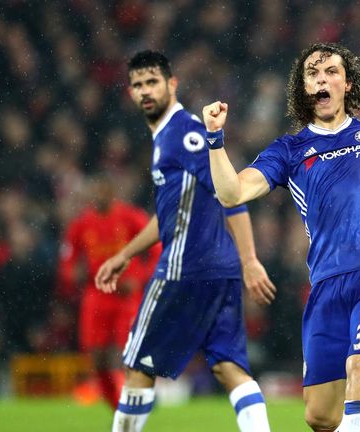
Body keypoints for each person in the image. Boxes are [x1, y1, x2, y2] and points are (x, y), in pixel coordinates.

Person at [202, 43, 360, 432]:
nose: (322, 79)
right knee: (320, 415)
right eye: (313, 73)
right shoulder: (290, 150)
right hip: (327, 282)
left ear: (347, 84)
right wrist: (215, 139)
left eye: (331, 71)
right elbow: (232, 193)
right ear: (304, 88)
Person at [95, 50, 276, 432]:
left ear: (171, 84)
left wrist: (250, 260)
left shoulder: (183, 134)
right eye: (138, 84)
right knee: (230, 368)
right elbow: (169, 216)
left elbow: (231, 195)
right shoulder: (167, 137)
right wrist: (126, 254)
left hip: (185, 267)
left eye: (152, 82)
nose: (145, 91)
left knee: (139, 365)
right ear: (130, 92)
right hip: (218, 271)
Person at [58, 173, 160, 409]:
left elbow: (156, 250)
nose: (99, 196)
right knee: (97, 359)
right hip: (96, 295)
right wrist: (71, 274)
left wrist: (139, 277)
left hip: (126, 297)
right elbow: (67, 259)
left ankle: (134, 399)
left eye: (104, 191)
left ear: (113, 193)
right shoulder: (81, 224)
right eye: (96, 192)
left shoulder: (131, 217)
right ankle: (118, 406)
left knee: (123, 352)